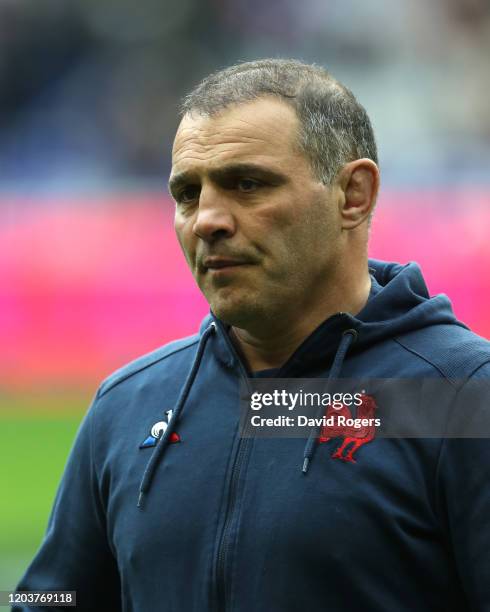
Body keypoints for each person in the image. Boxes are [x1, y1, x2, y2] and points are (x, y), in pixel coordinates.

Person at [14, 59, 490, 611]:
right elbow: (52, 599)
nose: (208, 219)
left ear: (353, 194)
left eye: (247, 184)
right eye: (188, 193)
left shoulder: (460, 398)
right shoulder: (128, 405)